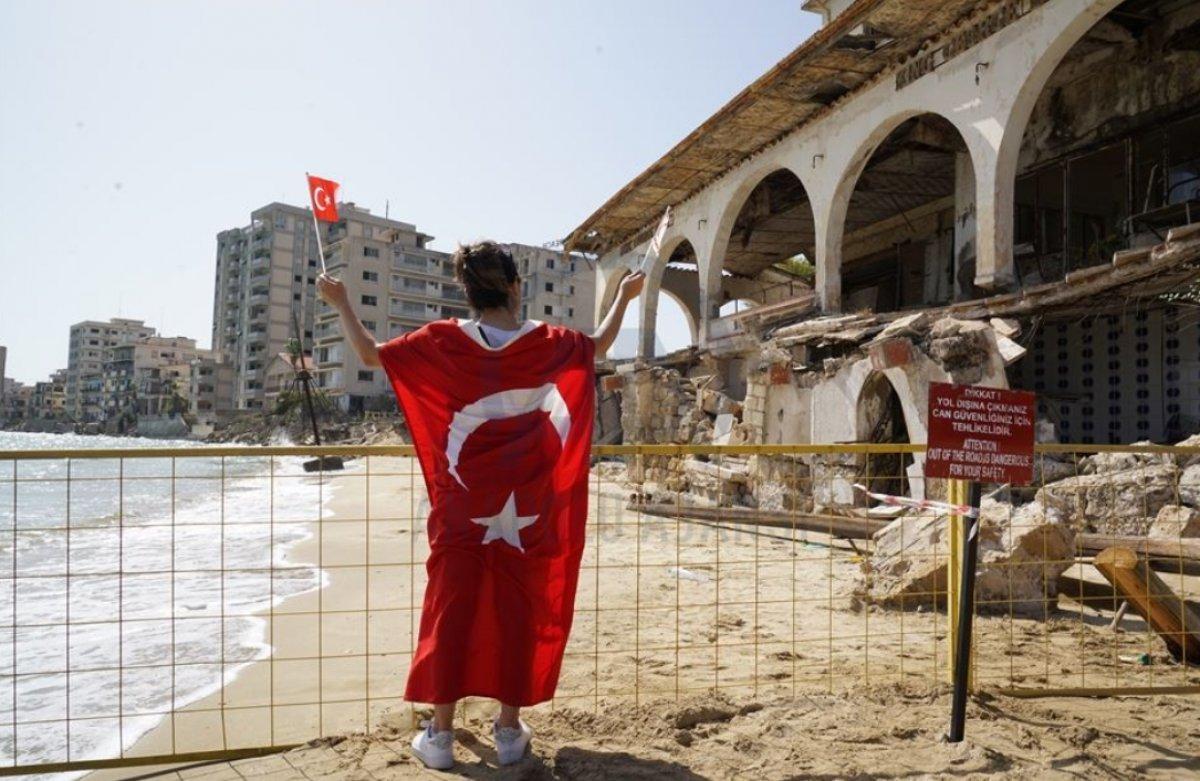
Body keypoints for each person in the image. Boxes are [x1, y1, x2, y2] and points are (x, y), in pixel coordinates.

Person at [317, 241, 643, 769]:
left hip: (461, 511)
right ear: (516, 287)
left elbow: (370, 355)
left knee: (452, 612)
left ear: (467, 293)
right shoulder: (549, 342)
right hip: (529, 513)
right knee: (519, 608)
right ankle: (509, 730)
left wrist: (342, 302)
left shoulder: (443, 342)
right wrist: (625, 296)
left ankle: (441, 738)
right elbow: (600, 344)